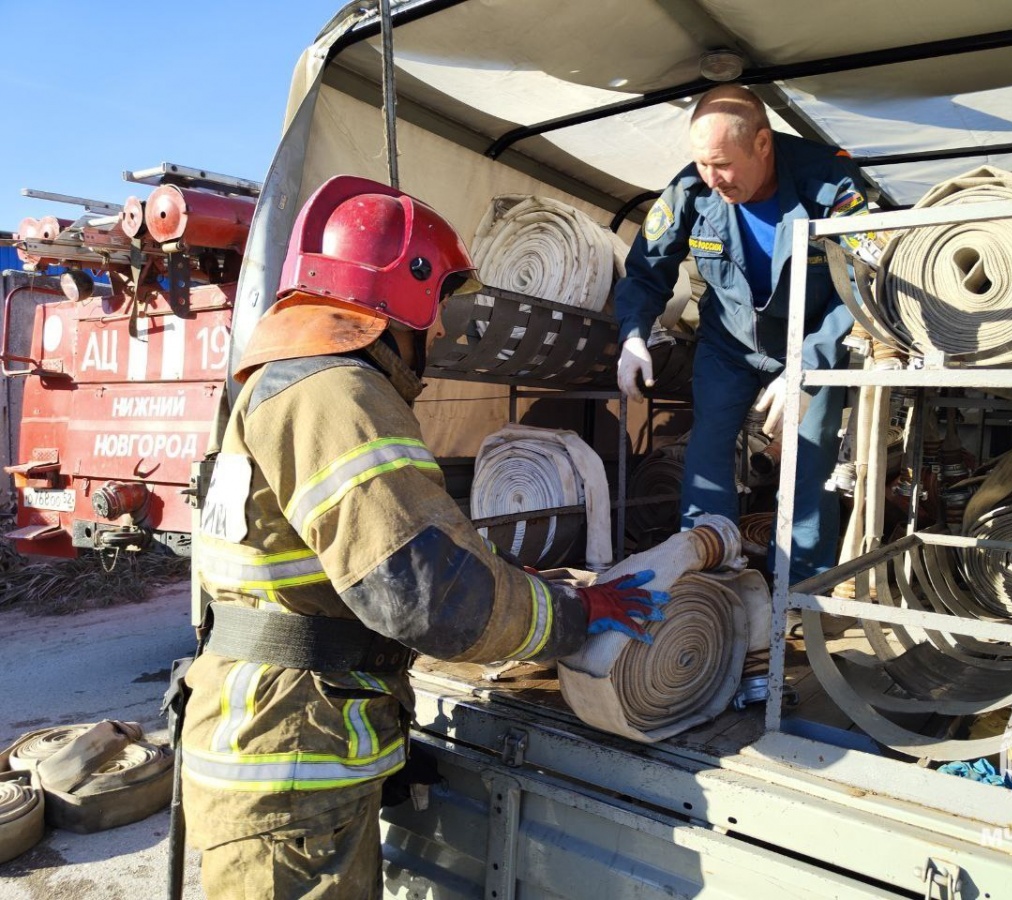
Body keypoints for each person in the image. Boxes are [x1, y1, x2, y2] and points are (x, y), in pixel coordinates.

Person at [179, 174, 668, 900]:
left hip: (279, 743)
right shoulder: (337, 393)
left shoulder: (283, 381)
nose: (442, 331)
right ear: (400, 292)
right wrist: (575, 613)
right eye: (441, 306)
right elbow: (426, 593)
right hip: (291, 765)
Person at [614, 84, 877, 584]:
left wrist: (809, 362)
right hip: (728, 344)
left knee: (806, 464)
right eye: (702, 164)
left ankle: (801, 594)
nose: (712, 179)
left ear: (762, 144)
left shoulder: (831, 182)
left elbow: (866, 284)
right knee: (707, 458)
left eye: (722, 165)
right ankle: (706, 579)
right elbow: (647, 266)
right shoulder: (693, 187)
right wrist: (632, 333)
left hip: (812, 340)